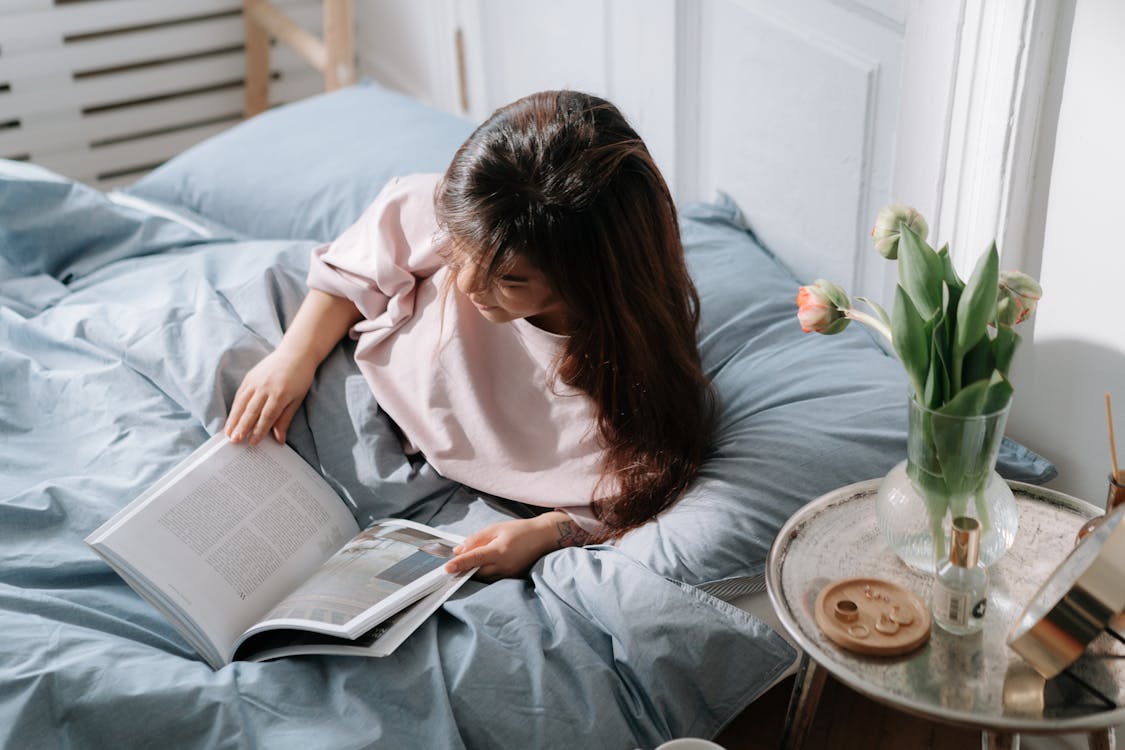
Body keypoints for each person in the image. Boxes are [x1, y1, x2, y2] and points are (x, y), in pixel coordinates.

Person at [225, 90, 713, 580]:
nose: (466, 285)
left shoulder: (633, 383)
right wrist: (293, 357)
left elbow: (634, 494)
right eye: (458, 252)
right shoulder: (461, 212)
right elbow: (352, 272)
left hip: (462, 503)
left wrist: (548, 532)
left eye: (509, 280)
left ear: (590, 280)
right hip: (350, 386)